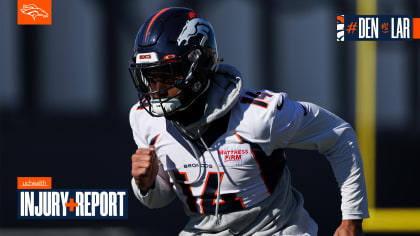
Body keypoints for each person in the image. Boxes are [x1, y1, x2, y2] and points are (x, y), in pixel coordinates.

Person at [128, 7, 369, 236]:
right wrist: (146, 184)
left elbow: (339, 135)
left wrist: (352, 219)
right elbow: (161, 196)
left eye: (167, 75)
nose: (156, 90)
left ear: (198, 67)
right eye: (149, 77)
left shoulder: (260, 115)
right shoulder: (144, 119)